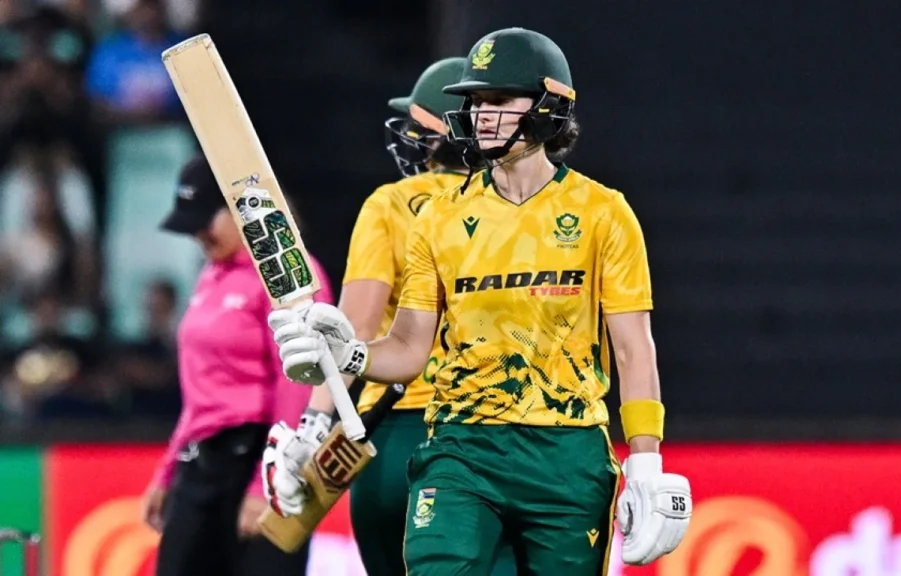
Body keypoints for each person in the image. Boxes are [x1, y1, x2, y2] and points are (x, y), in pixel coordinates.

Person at [265, 27, 693, 575]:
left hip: (568, 456)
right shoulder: (438, 220)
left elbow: (634, 349)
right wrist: (348, 354)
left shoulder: (603, 213)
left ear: (548, 105)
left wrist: (647, 460)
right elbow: (409, 348)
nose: (482, 115)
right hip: (460, 449)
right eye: (475, 102)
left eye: (499, 100)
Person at [258, 57, 516, 575]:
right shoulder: (522, 208)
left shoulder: (391, 205)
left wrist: (313, 425)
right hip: (489, 439)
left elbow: (353, 330)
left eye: (421, 126)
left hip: (392, 440)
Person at [140, 155, 332, 576]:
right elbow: (200, 392)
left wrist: (268, 484)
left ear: (241, 209)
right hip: (202, 464)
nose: (196, 234)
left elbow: (298, 384)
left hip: (264, 456)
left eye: (204, 220)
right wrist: (167, 470)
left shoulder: (288, 274)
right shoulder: (212, 275)